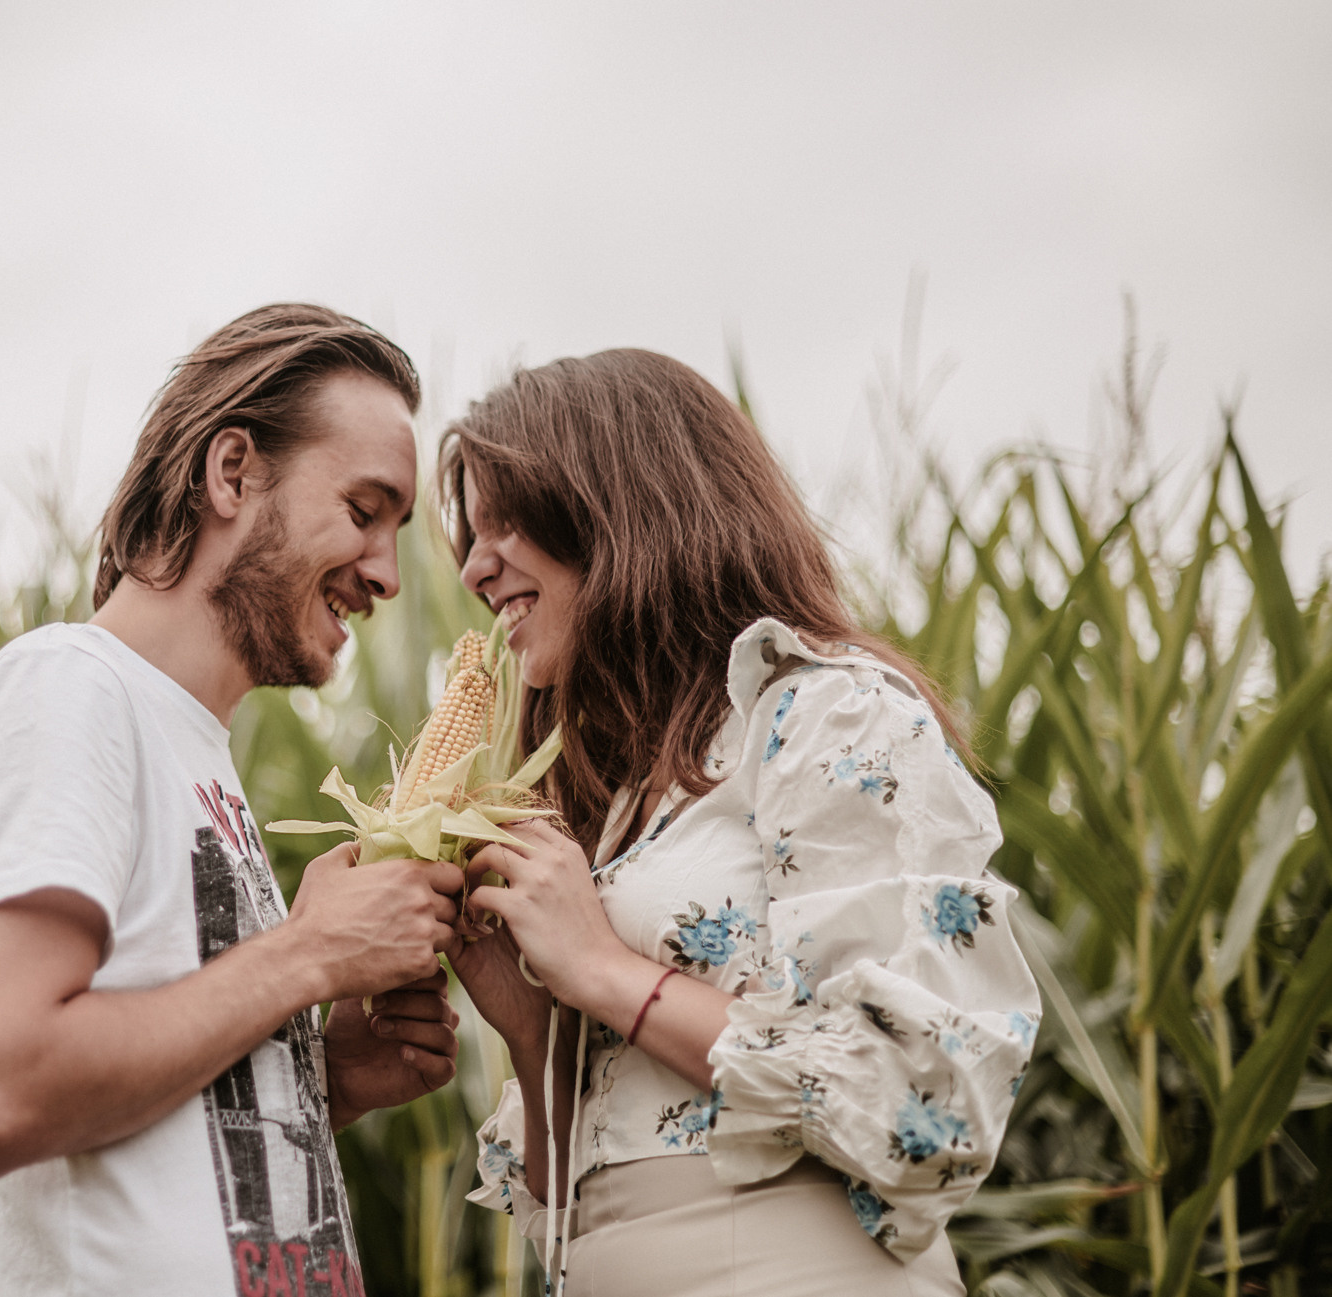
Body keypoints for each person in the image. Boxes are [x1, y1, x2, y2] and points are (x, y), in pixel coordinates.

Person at [441, 349, 1041, 1295]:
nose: (474, 567)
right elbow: (575, 1197)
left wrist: (603, 968)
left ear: (623, 503)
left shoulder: (829, 717)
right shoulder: (621, 801)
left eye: (503, 523)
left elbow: (921, 1099)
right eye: (470, 537)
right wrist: (530, 1025)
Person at [0, 303, 466, 1296]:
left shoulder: (194, 753)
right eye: (363, 510)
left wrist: (320, 1075)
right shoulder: (69, 688)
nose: (388, 572)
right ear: (231, 474)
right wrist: (310, 954)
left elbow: (141, 1139)